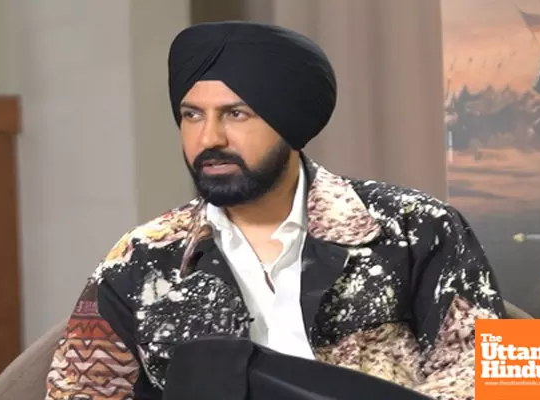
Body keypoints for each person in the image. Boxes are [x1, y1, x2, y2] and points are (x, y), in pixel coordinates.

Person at [45, 21, 506, 400]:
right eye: (192, 115)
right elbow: (78, 391)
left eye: (236, 114)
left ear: (290, 124)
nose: (209, 138)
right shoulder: (140, 256)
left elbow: (504, 379)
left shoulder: (417, 225)